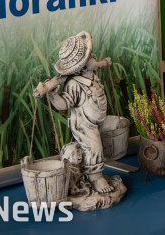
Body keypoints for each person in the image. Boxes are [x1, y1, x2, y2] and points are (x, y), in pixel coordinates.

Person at [33, 31, 115, 193]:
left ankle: (84, 171)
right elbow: (64, 104)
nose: (95, 57)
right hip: (83, 124)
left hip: (96, 121)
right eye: (91, 57)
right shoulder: (74, 84)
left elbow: (99, 67)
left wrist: (103, 63)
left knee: (98, 147)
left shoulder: (93, 76)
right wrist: (53, 93)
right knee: (94, 148)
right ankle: (96, 178)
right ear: (83, 65)